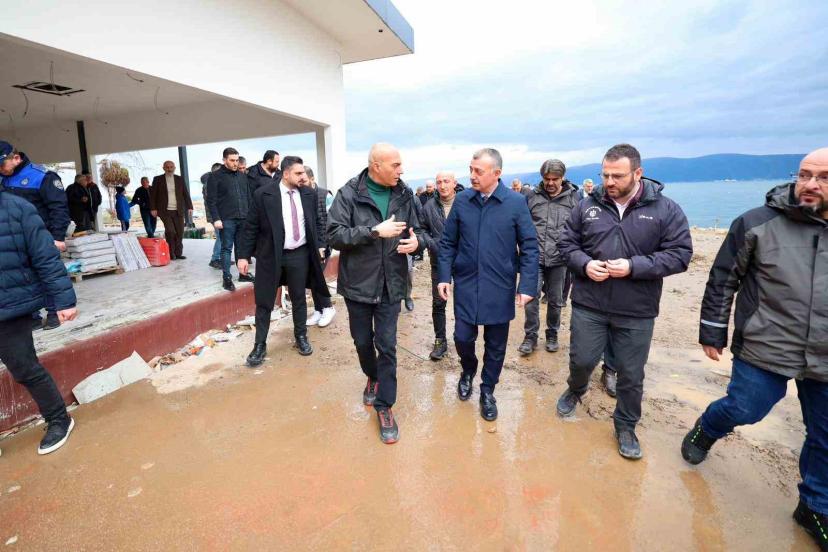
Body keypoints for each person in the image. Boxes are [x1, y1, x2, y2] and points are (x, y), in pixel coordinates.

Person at [681, 148, 828, 550]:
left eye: (823, 177)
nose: (811, 184)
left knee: (825, 434)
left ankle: (815, 505)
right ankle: (709, 426)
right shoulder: (756, 223)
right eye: (805, 174)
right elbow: (723, 277)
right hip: (767, 340)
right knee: (746, 407)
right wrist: (713, 330)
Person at [556, 143, 692, 460]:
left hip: (637, 310)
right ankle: (576, 388)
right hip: (590, 303)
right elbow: (566, 243)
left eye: (617, 176)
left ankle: (626, 426)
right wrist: (584, 264)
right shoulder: (586, 206)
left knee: (631, 374)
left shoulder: (665, 209)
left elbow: (680, 254)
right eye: (605, 175)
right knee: (581, 361)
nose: (609, 182)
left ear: (638, 173)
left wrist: (634, 266)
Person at [327, 143, 424, 444]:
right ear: (376, 166)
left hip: (391, 283)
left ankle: (385, 406)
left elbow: (421, 230)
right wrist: (372, 231)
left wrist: (417, 243)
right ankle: (372, 375)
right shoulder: (348, 194)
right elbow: (333, 234)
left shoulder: (405, 194)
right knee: (362, 342)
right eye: (395, 165)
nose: (401, 170)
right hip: (358, 284)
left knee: (388, 345)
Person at [438, 148, 538, 422]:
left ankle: (487, 390)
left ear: (497, 173)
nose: (472, 175)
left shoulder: (515, 203)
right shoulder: (462, 201)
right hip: (467, 284)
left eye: (478, 171)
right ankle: (468, 370)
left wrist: (527, 285)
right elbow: (448, 243)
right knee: (461, 337)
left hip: (499, 286)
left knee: (495, 345)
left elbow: (529, 247)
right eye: (470, 169)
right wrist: (444, 277)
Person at [0, 180, 79, 455]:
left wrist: (64, 301)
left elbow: (46, 257)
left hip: (9, 307)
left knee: (26, 369)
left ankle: (59, 419)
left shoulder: (18, 209)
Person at [237, 156, 330, 365]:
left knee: (299, 298)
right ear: (286, 174)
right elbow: (250, 227)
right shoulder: (263, 194)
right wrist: (243, 256)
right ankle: (259, 345)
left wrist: (320, 245)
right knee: (264, 301)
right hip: (271, 255)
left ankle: (301, 337)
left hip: (300, 254)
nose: (303, 177)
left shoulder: (309, 194)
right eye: (299, 173)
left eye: (303, 173)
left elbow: (317, 222)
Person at [0, 142, 71, 331]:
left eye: (1, 165)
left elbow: (59, 209)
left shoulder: (42, 177)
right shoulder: (3, 179)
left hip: (42, 237)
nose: (0, 170)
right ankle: (31, 316)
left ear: (16, 158)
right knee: (24, 279)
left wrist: (58, 237)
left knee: (47, 274)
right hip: (16, 242)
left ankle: (54, 312)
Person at [519, 159, 579, 356]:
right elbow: (521, 224)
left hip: (560, 259)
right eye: (547, 179)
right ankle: (530, 336)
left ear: (563, 178)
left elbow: (579, 229)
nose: (550, 183)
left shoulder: (574, 199)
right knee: (530, 297)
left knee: (555, 300)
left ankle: (552, 334)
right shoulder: (531, 197)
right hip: (533, 258)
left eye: (555, 179)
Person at [419, 171, 462, 360]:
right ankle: (440, 340)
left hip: (463, 261)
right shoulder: (428, 206)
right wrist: (432, 243)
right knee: (438, 302)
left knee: (462, 301)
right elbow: (421, 229)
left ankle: (462, 338)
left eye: (446, 181)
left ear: (454, 183)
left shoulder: (465, 203)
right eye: (439, 182)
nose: (442, 185)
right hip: (438, 260)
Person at [206, 148, 256, 291]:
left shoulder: (242, 176)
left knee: (241, 248)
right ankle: (226, 278)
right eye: (232, 160)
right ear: (224, 160)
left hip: (243, 218)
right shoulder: (215, 177)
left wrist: (250, 216)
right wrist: (216, 218)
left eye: (237, 160)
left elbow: (248, 197)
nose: (235, 163)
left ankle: (242, 274)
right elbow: (211, 201)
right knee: (226, 248)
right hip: (226, 219)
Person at [303, 165, 336, 328]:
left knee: (317, 276)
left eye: (304, 181)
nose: (301, 184)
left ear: (312, 179)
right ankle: (318, 309)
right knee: (311, 277)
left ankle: (328, 308)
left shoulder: (325, 195)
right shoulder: (301, 195)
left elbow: (332, 222)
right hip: (307, 245)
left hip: (323, 245)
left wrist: (323, 245)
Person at [150, 160, 193, 261]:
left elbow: (185, 193)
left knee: (179, 232)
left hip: (178, 210)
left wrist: (190, 206)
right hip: (165, 211)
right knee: (170, 231)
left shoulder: (179, 179)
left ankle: (178, 253)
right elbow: (153, 195)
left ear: (174, 168)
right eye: (167, 167)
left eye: (171, 167)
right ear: (163, 168)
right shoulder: (158, 179)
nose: (169, 169)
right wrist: (153, 208)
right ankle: (171, 253)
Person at [201, 163, 223, 269]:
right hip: (215, 216)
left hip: (218, 215)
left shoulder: (213, 181)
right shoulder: (209, 183)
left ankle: (221, 258)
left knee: (223, 237)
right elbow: (213, 201)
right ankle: (214, 259)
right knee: (220, 237)